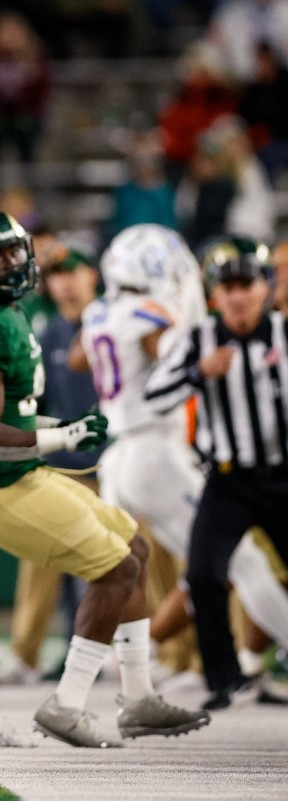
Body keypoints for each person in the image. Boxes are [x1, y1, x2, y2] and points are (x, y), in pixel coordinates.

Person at [0, 208, 210, 748]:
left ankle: (140, 698)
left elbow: (10, 416)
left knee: (135, 545)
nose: (12, 263)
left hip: (14, 472)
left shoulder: (3, 312)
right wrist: (62, 436)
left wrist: (61, 427)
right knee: (112, 570)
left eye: (16, 251)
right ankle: (67, 703)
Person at [86, 227, 288, 696]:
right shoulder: (153, 317)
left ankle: (135, 663)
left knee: (181, 568)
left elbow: (82, 357)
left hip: (120, 455)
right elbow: (167, 364)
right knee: (245, 564)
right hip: (156, 450)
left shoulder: (100, 312)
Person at [146, 235, 288, 709]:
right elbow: (155, 395)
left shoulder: (284, 335)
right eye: (227, 285)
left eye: (246, 282)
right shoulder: (198, 339)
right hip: (227, 480)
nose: (237, 294)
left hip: (283, 478)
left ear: (265, 287)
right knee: (205, 575)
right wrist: (197, 373)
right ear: (213, 294)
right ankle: (227, 678)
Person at [0, 246, 102, 686]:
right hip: (66, 469)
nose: (66, 281)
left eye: (73, 270)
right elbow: (36, 407)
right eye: (56, 274)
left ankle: (175, 657)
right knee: (40, 548)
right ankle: (25, 655)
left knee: (144, 550)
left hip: (118, 469)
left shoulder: (115, 323)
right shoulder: (49, 333)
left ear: (92, 273)